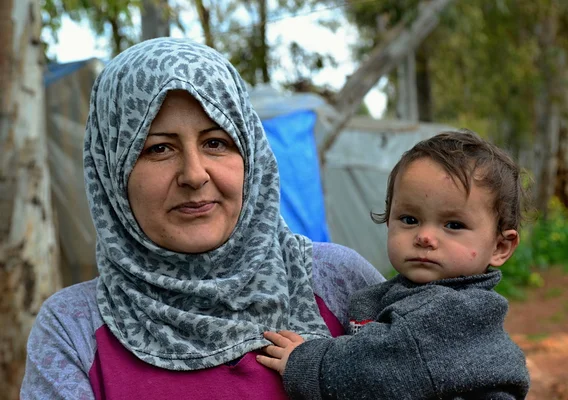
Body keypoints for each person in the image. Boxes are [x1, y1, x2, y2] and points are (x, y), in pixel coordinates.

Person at [20, 37, 386, 399]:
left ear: (251, 155)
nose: (194, 175)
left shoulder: (338, 282)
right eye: (159, 148)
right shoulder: (74, 329)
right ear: (113, 173)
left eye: (215, 142)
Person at [257, 131, 531, 399]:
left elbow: (376, 369)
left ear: (500, 247)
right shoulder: (412, 294)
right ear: (388, 220)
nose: (425, 237)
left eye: (453, 225)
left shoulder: (455, 311)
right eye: (410, 219)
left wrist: (305, 362)